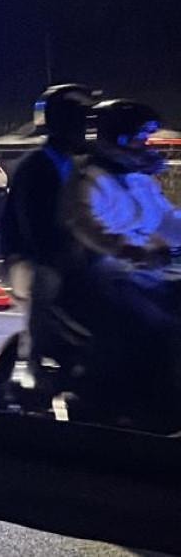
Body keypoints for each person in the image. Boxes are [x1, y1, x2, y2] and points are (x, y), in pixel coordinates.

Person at [58, 99, 181, 426]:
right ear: (116, 139)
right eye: (140, 138)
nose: (146, 146)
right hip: (104, 271)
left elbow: (167, 221)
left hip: (148, 271)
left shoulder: (140, 180)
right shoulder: (89, 179)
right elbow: (86, 225)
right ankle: (146, 405)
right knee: (157, 325)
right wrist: (129, 250)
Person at [0, 84, 96, 361]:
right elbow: (33, 227)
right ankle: (35, 358)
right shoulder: (35, 167)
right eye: (78, 122)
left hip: (74, 253)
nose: (84, 130)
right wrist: (63, 254)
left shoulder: (85, 166)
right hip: (30, 257)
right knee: (49, 281)